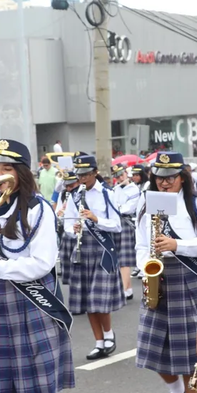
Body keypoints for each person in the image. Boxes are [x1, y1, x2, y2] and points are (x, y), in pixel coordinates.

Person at [0, 139, 73, 393]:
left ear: (22, 172)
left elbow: (41, 263)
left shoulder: (38, 208)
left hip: (31, 304)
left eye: (7, 169)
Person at [135, 151, 197, 393]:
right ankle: (175, 391)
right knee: (150, 346)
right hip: (157, 276)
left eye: (171, 177)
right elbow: (138, 245)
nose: (165, 183)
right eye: (160, 177)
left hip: (188, 276)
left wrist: (177, 246)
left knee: (188, 349)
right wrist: (145, 264)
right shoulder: (145, 204)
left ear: (182, 177)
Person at [65, 154, 124, 360]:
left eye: (86, 174)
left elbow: (117, 224)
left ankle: (109, 335)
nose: (82, 178)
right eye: (79, 174)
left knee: (98, 298)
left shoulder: (107, 193)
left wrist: (96, 219)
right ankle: (98, 342)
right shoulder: (74, 195)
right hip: (82, 248)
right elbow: (67, 223)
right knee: (87, 299)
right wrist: (73, 228)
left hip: (102, 249)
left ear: (95, 173)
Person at [112, 163, 140, 300]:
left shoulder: (134, 189)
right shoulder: (116, 189)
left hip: (127, 223)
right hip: (116, 223)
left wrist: (116, 207)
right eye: (116, 176)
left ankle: (123, 289)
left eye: (121, 175)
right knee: (118, 258)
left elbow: (127, 209)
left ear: (126, 174)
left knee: (124, 259)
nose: (119, 178)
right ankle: (127, 289)